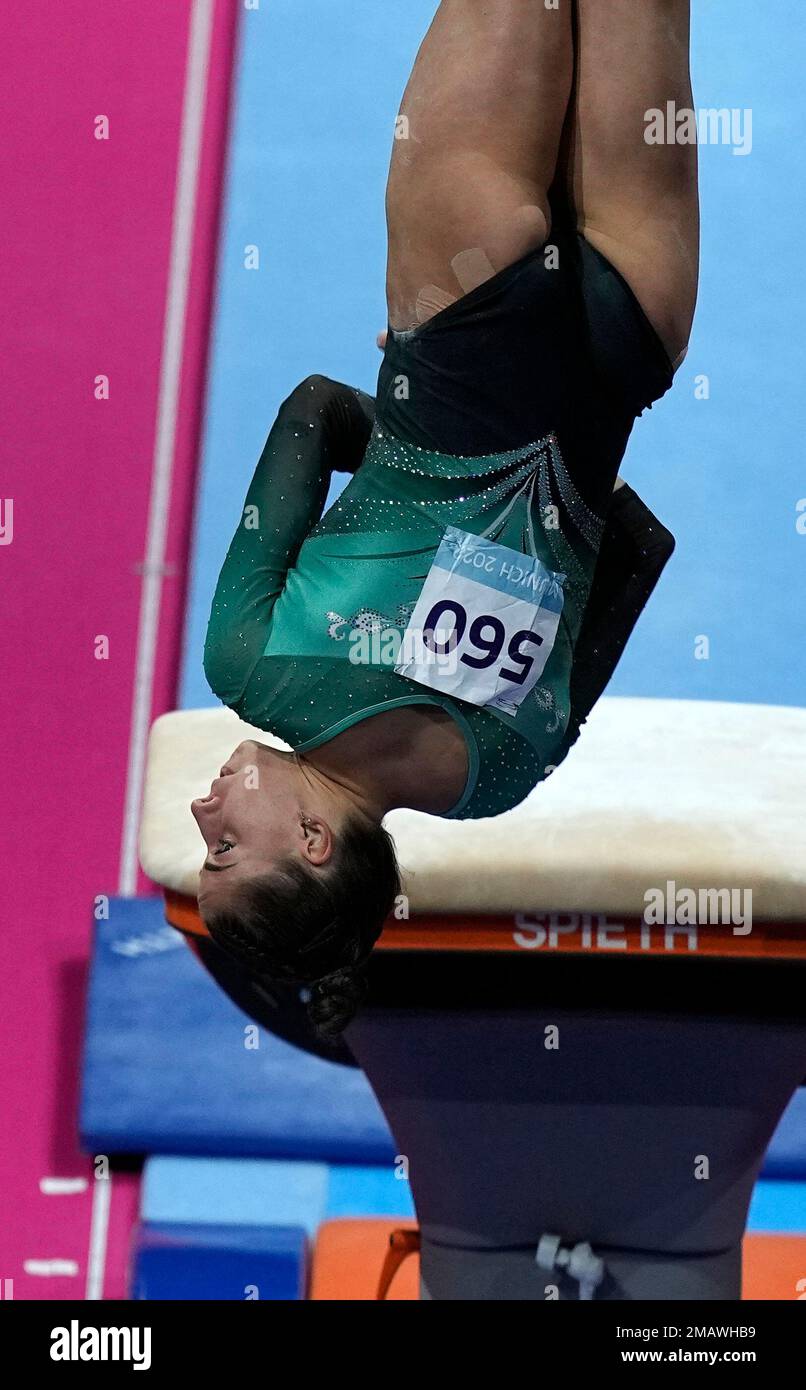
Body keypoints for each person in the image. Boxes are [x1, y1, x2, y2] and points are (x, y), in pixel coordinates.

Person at [193, 0, 699, 1039]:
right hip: (461, 301)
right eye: (224, 848)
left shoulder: (506, 776)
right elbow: (314, 409)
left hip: (632, 333)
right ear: (312, 842)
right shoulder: (247, 663)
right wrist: (408, 433)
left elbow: (634, 542)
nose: (203, 812)